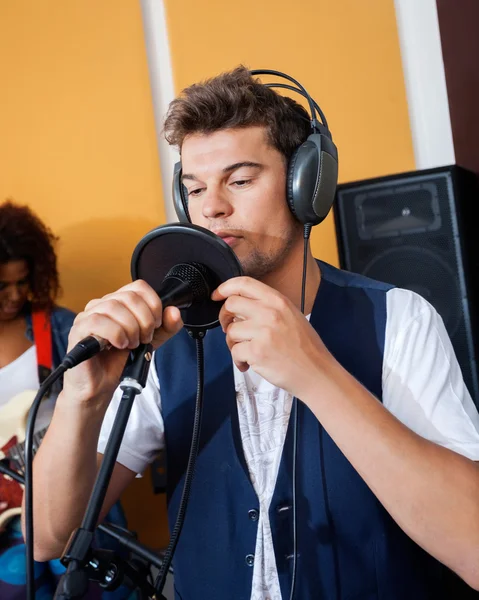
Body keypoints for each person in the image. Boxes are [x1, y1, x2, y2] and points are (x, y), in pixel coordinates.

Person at [28, 67, 479, 600]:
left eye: (239, 180)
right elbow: (49, 536)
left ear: (305, 185)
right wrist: (83, 399)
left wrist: (316, 375)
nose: (212, 207)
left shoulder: (399, 319)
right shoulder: (168, 344)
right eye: (195, 188)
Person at [0, 200, 132, 599]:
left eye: (23, 281)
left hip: (66, 491)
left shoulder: (57, 327)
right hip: (6, 516)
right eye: (1, 286)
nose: (15, 295)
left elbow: (110, 405)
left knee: (89, 581)